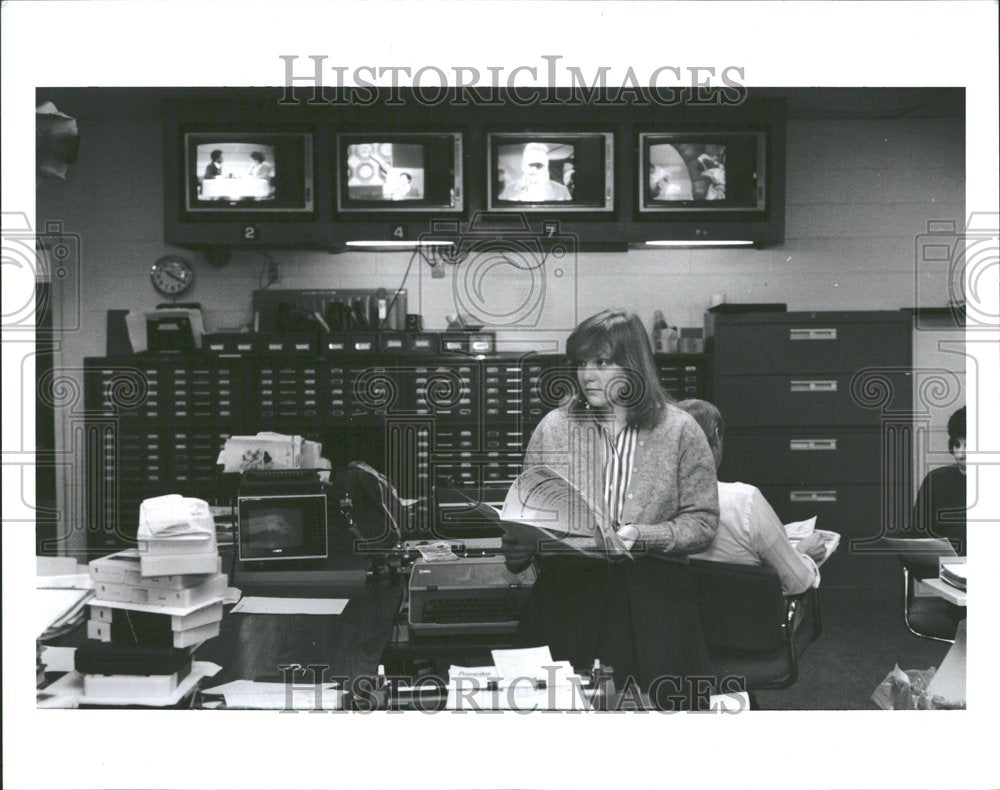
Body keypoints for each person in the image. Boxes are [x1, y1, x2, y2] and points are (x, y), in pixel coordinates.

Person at [502, 310, 719, 709]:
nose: (587, 374)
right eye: (582, 363)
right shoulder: (554, 427)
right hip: (568, 596)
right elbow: (529, 510)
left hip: (651, 600)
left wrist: (644, 535)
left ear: (633, 363)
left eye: (602, 362)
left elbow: (703, 523)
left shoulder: (680, 430)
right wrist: (518, 548)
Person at [677, 399, 824, 595]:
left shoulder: (649, 506)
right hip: (746, 622)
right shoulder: (744, 501)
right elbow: (797, 581)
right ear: (716, 437)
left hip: (679, 622)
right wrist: (804, 555)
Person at [911, 406, 966, 553]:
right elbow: (916, 538)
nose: (960, 454)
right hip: (942, 573)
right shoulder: (937, 481)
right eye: (957, 444)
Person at [499, 142, 572, 202]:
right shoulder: (509, 190)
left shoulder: (561, 191)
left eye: (539, 165)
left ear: (545, 168)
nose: (534, 169)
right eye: (530, 165)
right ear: (523, 166)